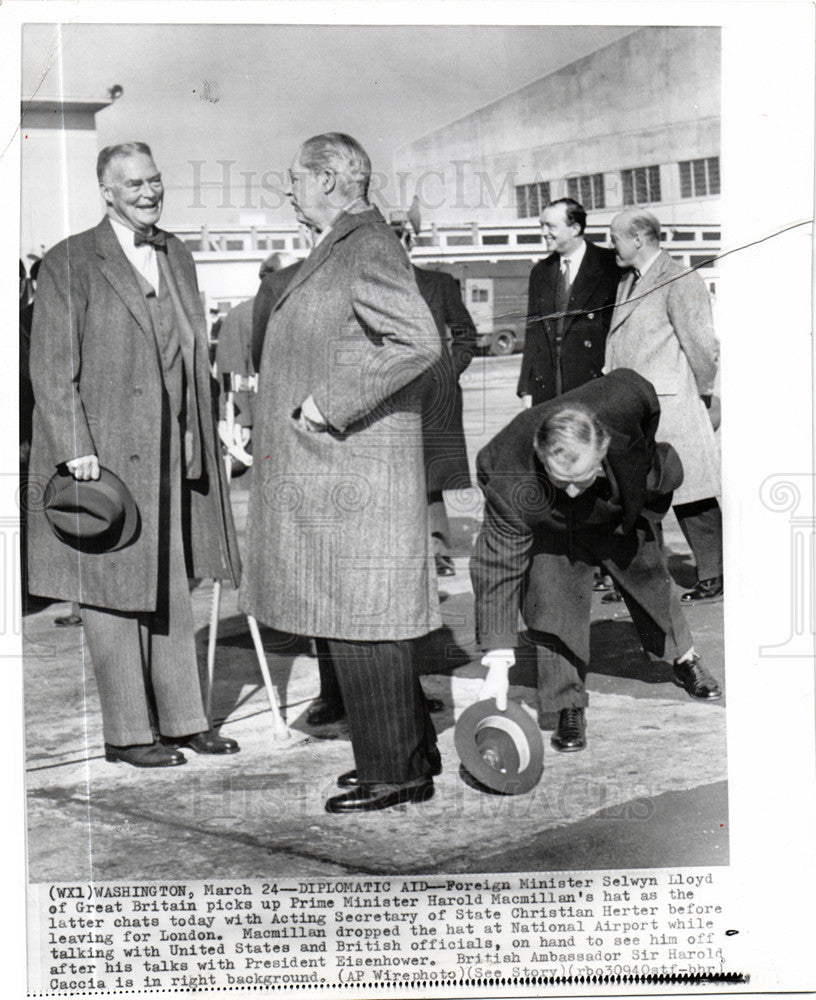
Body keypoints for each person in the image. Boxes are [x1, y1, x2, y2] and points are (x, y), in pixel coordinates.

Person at [240, 132, 443, 813]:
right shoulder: (340, 246)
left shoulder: (368, 245)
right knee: (353, 618)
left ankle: (397, 775)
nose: (288, 192)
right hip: (333, 475)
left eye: (294, 180)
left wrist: (330, 405)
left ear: (328, 179)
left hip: (356, 469)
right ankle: (404, 754)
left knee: (365, 620)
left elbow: (417, 341)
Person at [27, 142, 242, 768]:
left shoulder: (176, 252)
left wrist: (209, 432)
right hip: (106, 460)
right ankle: (127, 735)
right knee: (112, 592)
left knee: (172, 584)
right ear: (107, 191)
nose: (149, 192)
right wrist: (76, 451)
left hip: (177, 448)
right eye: (134, 184)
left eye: (155, 179)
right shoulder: (71, 260)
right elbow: (50, 370)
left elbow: (190, 350)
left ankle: (183, 720)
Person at [471, 368, 721, 754]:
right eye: (561, 479)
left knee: (648, 577)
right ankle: (566, 703)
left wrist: (634, 477)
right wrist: (499, 661)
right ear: (541, 456)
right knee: (551, 601)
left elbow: (646, 412)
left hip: (612, 502)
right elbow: (497, 566)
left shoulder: (625, 397)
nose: (571, 490)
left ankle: (685, 657)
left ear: (603, 449)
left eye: (580, 478)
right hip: (548, 520)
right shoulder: (508, 474)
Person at [605, 209, 723, 603]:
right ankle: (643, 579)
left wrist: (703, 395)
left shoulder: (679, 277)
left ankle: (715, 574)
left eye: (615, 237)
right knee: (640, 496)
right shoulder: (627, 283)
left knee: (692, 495)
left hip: (673, 404)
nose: (612, 245)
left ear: (638, 238)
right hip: (635, 406)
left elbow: (702, 347)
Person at [517, 197, 620, 407]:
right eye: (542, 226)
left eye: (550, 226)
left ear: (574, 228)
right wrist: (526, 387)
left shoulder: (610, 265)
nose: (544, 233)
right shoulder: (540, 271)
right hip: (550, 387)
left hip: (595, 386)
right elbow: (534, 333)